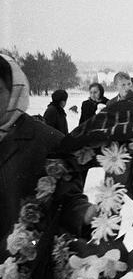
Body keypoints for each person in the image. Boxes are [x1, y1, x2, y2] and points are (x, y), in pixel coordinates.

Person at [0, 54, 95, 261]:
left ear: (14, 91)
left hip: (26, 266)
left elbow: (66, 201)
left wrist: (84, 214)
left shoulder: (48, 141)